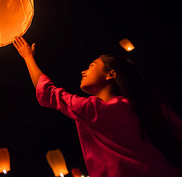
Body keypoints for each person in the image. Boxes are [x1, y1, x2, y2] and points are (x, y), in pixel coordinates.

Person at [13, 36, 182, 177]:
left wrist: (28, 57)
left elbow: (49, 93)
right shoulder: (154, 108)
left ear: (111, 74)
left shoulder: (95, 111)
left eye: (92, 66)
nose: (83, 72)